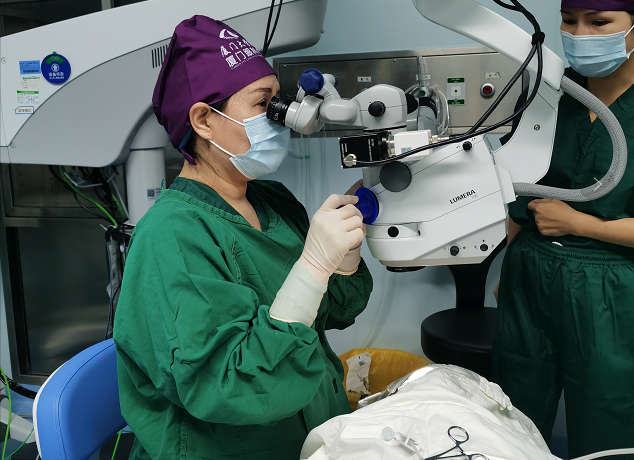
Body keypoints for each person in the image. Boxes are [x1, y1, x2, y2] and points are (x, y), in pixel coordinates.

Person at [113, 16, 373, 460]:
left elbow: (330, 313)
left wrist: (343, 259)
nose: (281, 116)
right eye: (263, 103)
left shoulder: (272, 200)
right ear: (204, 120)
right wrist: (312, 267)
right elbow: (229, 385)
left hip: (311, 434)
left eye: (278, 100)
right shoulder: (170, 235)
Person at [492, 1, 634, 458]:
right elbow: (517, 185)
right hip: (529, 275)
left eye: (599, 22)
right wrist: (509, 265)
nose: (580, 34)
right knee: (513, 415)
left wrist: (578, 223)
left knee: (607, 424)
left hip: (611, 289)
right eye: (569, 21)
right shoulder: (548, 92)